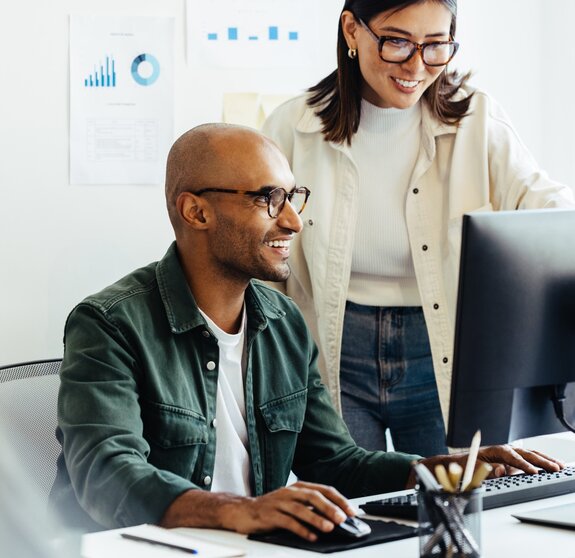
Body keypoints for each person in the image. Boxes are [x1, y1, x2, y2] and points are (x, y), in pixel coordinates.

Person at [49, 123, 565, 541]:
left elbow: (336, 461)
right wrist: (239, 511)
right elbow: (106, 473)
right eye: (268, 199)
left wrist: (443, 472)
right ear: (196, 211)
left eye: (294, 196)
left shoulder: (282, 320)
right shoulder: (109, 323)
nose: (294, 221)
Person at [262, 0, 575, 457]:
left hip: (441, 347)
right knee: (356, 510)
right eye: (397, 42)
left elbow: (552, 217)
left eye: (435, 46)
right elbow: (257, 241)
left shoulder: (478, 121)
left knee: (452, 503)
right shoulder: (293, 127)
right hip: (334, 347)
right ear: (352, 30)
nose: (416, 65)